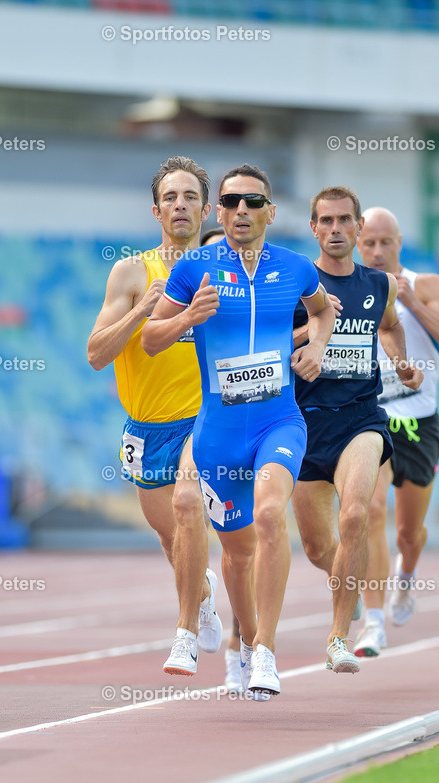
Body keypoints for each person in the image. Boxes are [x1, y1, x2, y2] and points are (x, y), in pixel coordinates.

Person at [142, 164, 336, 698]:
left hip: (278, 421)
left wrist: (316, 346)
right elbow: (152, 339)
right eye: (229, 203)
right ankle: (226, 636)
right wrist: (186, 318)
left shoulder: (296, 268)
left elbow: (322, 312)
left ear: (271, 212)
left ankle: (265, 654)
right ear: (218, 212)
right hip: (218, 432)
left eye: (253, 202)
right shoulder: (195, 268)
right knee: (234, 552)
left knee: (272, 515)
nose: (241, 211)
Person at [87, 155, 222, 676]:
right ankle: (203, 594)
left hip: (204, 420)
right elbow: (97, 354)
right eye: (171, 197)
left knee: (190, 506)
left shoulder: (224, 272)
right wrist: (144, 308)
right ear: (156, 210)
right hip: (147, 426)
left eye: (190, 196)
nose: (181, 205)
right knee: (171, 537)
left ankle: (184, 633)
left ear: (206, 208)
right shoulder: (131, 272)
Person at [292, 186, 424, 673]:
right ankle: (354, 582)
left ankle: (336, 638)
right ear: (313, 228)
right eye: (325, 221)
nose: (335, 230)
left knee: (356, 517)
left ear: (358, 227)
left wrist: (402, 362)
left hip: (361, 419)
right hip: (303, 425)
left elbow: (388, 326)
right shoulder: (295, 283)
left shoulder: (379, 284)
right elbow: (270, 345)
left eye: (344, 220)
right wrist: (312, 329)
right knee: (317, 547)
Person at [353, 207, 439, 656]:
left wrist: (413, 302)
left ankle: (405, 576)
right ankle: (374, 623)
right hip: (370, 419)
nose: (378, 251)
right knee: (371, 512)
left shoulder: (426, 284)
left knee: (407, 533)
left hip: (419, 420)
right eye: (370, 243)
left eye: (386, 242)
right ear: (359, 245)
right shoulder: (351, 289)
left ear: (400, 242)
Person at [200, 226, 244, 692]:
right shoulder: (186, 304)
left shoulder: (258, 301)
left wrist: (317, 324)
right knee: (186, 526)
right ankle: (202, 595)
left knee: (241, 549)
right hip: (192, 430)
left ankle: (242, 644)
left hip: (248, 430)